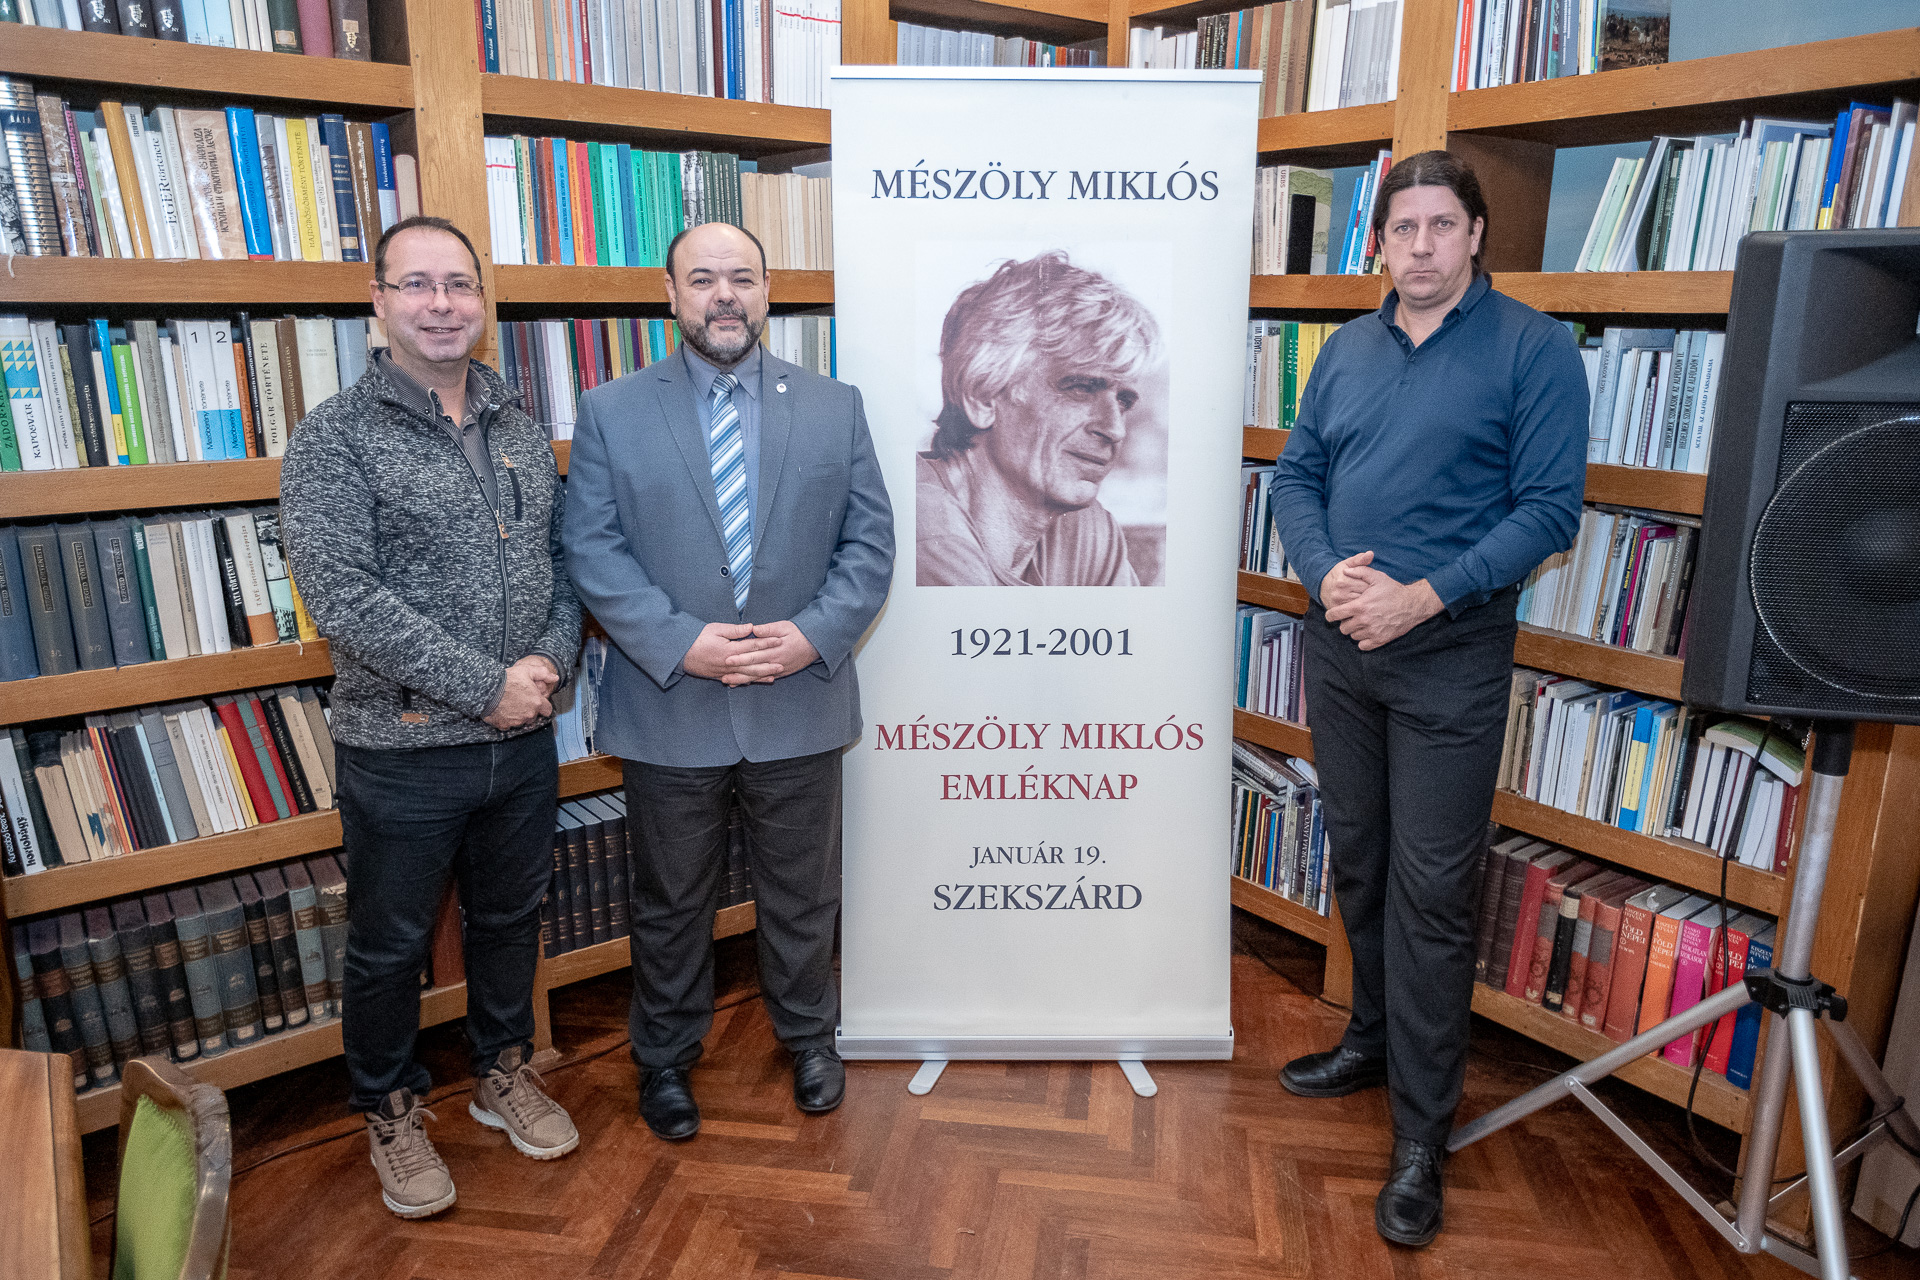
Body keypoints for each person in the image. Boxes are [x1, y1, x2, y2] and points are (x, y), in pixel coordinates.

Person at [1268, 151, 1589, 1247]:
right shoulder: (1346, 350)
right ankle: (1370, 1038)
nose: (1419, 245)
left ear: (1476, 233)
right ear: (1382, 243)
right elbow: (1297, 476)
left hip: (1450, 657)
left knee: (1433, 893)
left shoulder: (1534, 349)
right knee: (1359, 859)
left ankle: (1420, 1134)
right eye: (1401, 228)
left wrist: (1423, 596)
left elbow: (1549, 511)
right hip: (1342, 649)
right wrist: (1324, 571)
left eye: (1440, 225)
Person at [562, 220, 894, 1141]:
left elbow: (869, 545)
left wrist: (811, 636)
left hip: (798, 698)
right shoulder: (611, 410)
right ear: (670, 295)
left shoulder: (835, 406)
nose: (723, 296)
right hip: (671, 702)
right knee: (671, 901)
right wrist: (683, 644)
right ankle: (666, 1058)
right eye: (702, 278)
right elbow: (592, 550)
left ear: (767, 291)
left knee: (804, 893)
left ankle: (810, 1038)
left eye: (741, 277)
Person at [280, 215, 583, 1219]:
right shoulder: (333, 436)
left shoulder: (517, 421)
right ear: (379, 302)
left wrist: (549, 661)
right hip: (403, 750)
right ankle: (389, 1108)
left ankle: (502, 1069)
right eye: (417, 284)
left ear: (482, 302)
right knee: (389, 946)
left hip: (523, 741)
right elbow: (345, 597)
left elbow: (559, 564)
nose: (441, 303)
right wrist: (483, 683)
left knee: (510, 920)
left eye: (458, 284)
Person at [918, 251, 1160, 587]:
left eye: (1124, 402)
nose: (1115, 429)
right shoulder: (923, 521)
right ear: (983, 397)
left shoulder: (1087, 532)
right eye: (1080, 388)